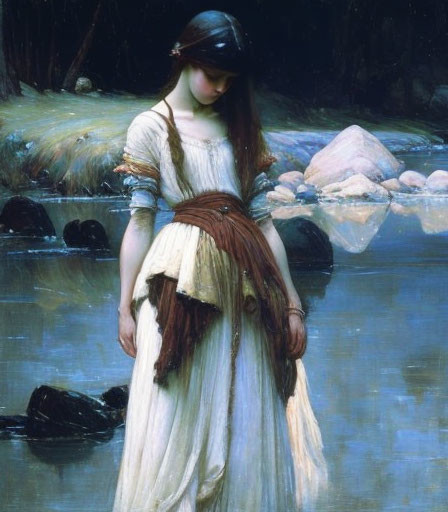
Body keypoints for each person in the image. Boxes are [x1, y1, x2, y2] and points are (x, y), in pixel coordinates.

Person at [113, 11, 326, 511]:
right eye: (214, 75)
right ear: (184, 60)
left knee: (246, 406)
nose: (221, 87)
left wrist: (292, 304)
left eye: (230, 80)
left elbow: (266, 223)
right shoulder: (150, 127)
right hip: (182, 283)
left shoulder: (239, 126)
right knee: (178, 410)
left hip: (247, 283)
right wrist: (124, 306)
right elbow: (140, 222)